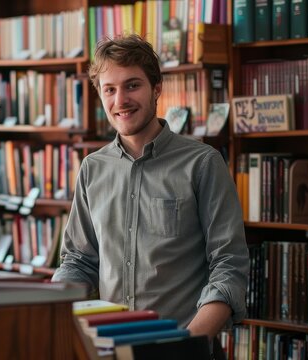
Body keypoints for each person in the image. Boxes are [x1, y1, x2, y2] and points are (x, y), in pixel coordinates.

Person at [52, 34, 249, 341]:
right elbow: (79, 261)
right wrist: (50, 307)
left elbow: (229, 265)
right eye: (110, 90)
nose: (121, 101)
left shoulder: (203, 163)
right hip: (111, 347)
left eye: (132, 85)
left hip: (183, 348)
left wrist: (186, 344)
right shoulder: (92, 168)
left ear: (157, 89)